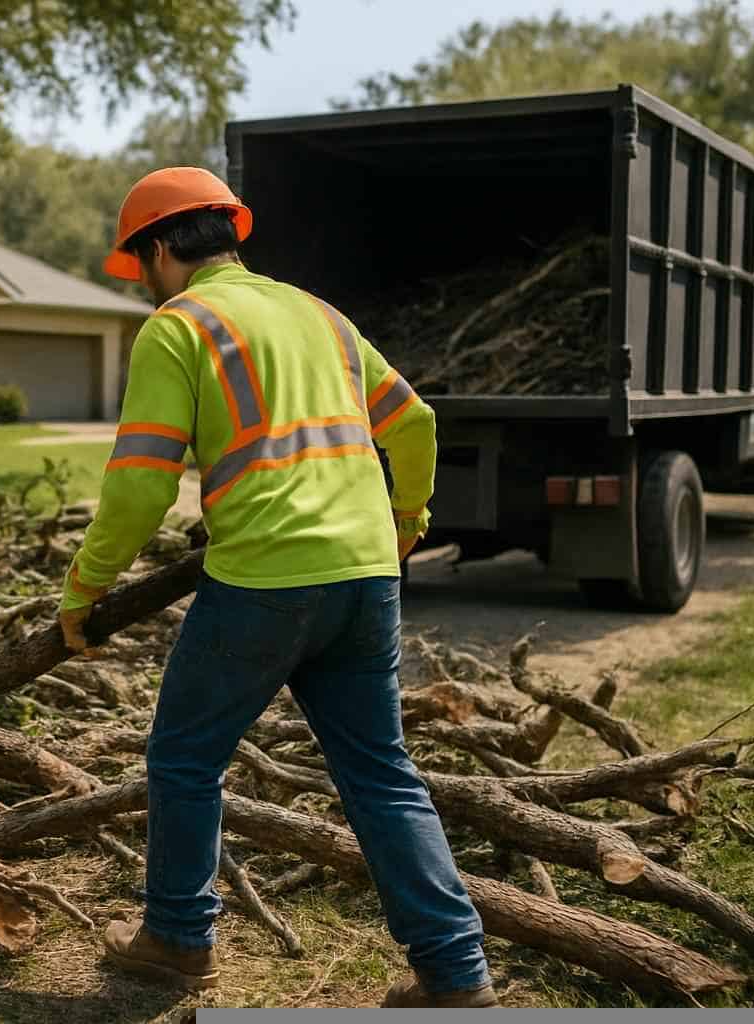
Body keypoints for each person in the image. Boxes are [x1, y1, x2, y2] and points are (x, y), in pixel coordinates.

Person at [56, 167, 498, 1008]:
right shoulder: (319, 313)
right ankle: (456, 976)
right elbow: (415, 421)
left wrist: (85, 588)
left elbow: (142, 485)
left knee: (186, 758)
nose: (144, 282)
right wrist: (408, 515)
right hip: (367, 575)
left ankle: (178, 942)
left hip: (264, 581)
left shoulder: (178, 326)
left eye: (139, 263)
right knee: (382, 774)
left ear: (156, 249)